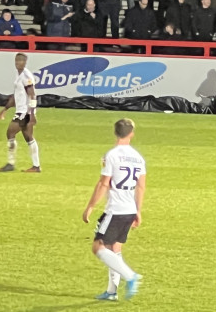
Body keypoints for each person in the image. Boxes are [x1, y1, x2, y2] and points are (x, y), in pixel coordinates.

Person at [81, 118, 145, 302]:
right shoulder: (138, 157)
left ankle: (130, 276)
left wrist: (91, 206)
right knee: (114, 249)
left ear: (115, 132)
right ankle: (111, 291)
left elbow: (103, 183)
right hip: (129, 209)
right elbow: (141, 187)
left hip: (115, 210)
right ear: (131, 133)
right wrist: (138, 211)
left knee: (98, 247)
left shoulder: (111, 155)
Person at [0, 53, 41, 173]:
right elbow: (16, 95)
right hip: (22, 110)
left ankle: (11, 163)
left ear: (25, 62)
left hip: (25, 111)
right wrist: (5, 109)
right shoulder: (18, 74)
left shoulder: (26, 76)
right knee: (29, 138)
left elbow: (32, 95)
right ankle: (36, 166)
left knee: (10, 133)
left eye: (20, 61)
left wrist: (31, 113)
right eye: (16, 61)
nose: (17, 63)